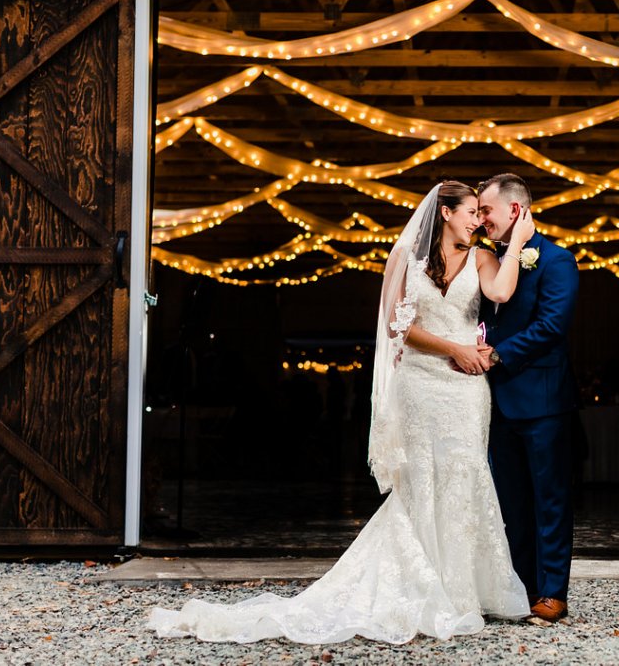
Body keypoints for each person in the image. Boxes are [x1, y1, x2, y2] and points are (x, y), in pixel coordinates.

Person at [146, 181, 536, 644]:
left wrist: (515, 246)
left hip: (465, 390)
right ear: (446, 212)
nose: (477, 220)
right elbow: (398, 325)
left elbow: (502, 293)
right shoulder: (406, 256)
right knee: (423, 479)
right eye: (471, 211)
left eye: (479, 212)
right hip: (420, 383)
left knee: (464, 474)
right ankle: (423, 585)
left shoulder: (484, 258)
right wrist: (454, 346)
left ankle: (464, 588)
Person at [477, 173, 580, 623]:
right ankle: (523, 587)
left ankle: (553, 591)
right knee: (511, 502)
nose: (481, 220)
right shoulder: (486, 259)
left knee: (550, 499)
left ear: (515, 210)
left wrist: (497, 354)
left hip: (542, 401)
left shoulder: (558, 260)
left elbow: (551, 326)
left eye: (486, 211)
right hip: (492, 402)